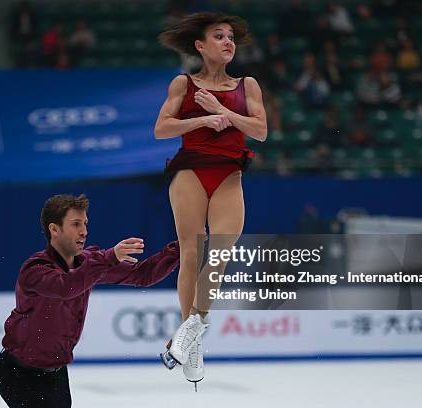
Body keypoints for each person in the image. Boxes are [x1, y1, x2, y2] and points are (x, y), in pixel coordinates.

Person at [154, 12, 267, 388]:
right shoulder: (183, 84)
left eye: (231, 36)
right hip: (191, 171)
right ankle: (195, 341)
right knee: (191, 253)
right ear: (200, 46)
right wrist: (201, 121)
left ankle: (193, 327)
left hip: (228, 172)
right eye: (219, 36)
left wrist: (221, 110)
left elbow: (261, 131)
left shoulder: (247, 84)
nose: (228, 42)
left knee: (220, 251)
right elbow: (161, 129)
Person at [0, 194, 180, 407]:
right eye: (75, 224)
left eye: (85, 223)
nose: (84, 231)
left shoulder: (89, 264)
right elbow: (66, 286)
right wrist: (109, 258)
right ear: (54, 229)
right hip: (18, 374)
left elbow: (143, 275)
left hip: (56, 374)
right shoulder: (35, 269)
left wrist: (181, 248)